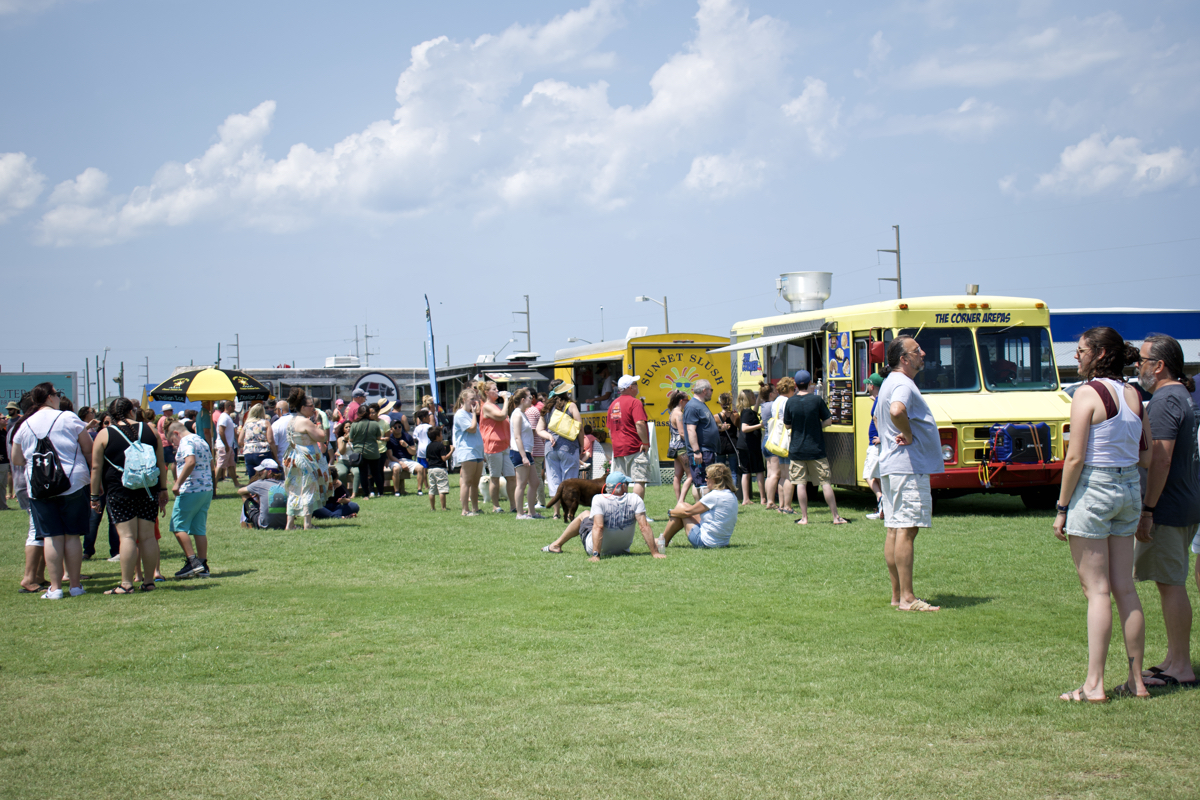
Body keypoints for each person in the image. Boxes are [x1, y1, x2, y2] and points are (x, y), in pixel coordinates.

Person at [1052, 327, 1151, 701]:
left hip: (1095, 488)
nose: (1076, 357)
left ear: (1100, 353)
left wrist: (1062, 507)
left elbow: (1075, 457)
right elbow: (1146, 453)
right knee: (1125, 587)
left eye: (1080, 351)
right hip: (1128, 489)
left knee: (1097, 591)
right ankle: (1137, 681)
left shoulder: (1087, 393)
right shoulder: (1133, 394)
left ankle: (1093, 685)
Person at [1133, 335, 1200, 690]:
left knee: (1171, 584)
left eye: (1142, 360)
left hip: (1169, 508)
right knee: (1170, 582)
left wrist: (1148, 510)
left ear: (1158, 365)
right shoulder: (1181, 396)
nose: (1137, 366)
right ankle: (1175, 659)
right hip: (1184, 503)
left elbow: (1161, 457)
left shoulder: (1164, 400)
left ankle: (1181, 665)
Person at [876, 336, 944, 613]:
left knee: (894, 529)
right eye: (917, 351)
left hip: (893, 466)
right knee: (906, 529)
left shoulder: (890, 382)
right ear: (904, 359)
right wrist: (907, 432)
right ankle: (907, 598)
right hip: (907, 466)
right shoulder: (903, 383)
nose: (923, 353)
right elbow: (897, 410)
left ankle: (897, 595)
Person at [10, 382, 93, 599]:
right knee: (72, 535)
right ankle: (75, 585)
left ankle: (55, 588)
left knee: (51, 536)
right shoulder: (68, 417)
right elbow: (87, 448)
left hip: (38, 485)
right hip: (72, 481)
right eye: (57, 394)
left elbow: (17, 459)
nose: (58, 397)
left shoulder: (24, 423)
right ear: (49, 397)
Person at [89, 398, 169, 594]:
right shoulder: (150, 430)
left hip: (119, 491)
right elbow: (161, 463)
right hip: (148, 489)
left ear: (110, 415)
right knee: (148, 537)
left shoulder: (104, 434)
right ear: (132, 411)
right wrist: (163, 489)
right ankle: (149, 582)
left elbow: (96, 467)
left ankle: (126, 584)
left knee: (127, 537)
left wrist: (94, 495)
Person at [540, 471, 663, 560]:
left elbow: (598, 527)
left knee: (584, 514)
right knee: (589, 515)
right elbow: (644, 527)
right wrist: (655, 553)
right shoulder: (635, 499)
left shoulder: (599, 499)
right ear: (623, 486)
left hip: (599, 548)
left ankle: (556, 545)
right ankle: (555, 545)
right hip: (623, 548)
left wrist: (596, 555)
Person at [783, 369, 847, 525]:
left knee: (800, 483)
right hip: (816, 449)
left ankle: (804, 518)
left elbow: (787, 425)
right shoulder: (817, 400)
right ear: (810, 383)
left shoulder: (790, 402)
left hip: (797, 449)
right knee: (825, 482)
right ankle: (835, 517)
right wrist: (817, 425)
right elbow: (828, 421)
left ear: (796, 385)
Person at [10, 394, 48, 593]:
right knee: (36, 531)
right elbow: (17, 459)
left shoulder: (21, 425)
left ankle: (39, 576)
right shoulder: (26, 426)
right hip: (29, 483)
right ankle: (29, 578)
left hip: (27, 482)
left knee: (41, 530)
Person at [166, 420, 213, 579]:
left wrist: (177, 483)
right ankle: (203, 563)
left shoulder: (185, 442)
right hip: (206, 489)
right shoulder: (201, 440)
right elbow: (210, 464)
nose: (175, 445)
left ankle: (192, 562)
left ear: (176, 433)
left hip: (190, 489)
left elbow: (190, 461)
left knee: (178, 526)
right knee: (199, 528)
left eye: (173, 441)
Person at [657, 463, 739, 550]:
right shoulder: (731, 495)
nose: (705, 479)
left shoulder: (714, 495)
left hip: (706, 542)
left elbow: (687, 512)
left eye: (707, 477)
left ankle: (662, 541)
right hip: (723, 542)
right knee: (684, 506)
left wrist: (670, 512)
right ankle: (664, 540)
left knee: (681, 508)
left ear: (715, 479)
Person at [282, 388, 331, 529]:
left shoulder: (291, 421)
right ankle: (307, 524)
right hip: (305, 459)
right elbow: (322, 436)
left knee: (294, 489)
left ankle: (290, 524)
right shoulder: (305, 421)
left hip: (292, 458)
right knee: (309, 489)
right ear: (302, 407)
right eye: (311, 406)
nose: (313, 409)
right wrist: (319, 422)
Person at [537, 381, 585, 519]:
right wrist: (581, 445)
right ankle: (569, 511)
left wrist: (549, 436)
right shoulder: (571, 406)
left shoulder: (546, 408)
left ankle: (556, 513)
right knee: (569, 481)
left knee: (553, 480)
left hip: (550, 449)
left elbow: (539, 430)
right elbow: (580, 427)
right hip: (569, 447)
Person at [607, 375, 653, 500]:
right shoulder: (635, 402)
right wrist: (645, 442)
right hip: (634, 447)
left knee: (620, 481)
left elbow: (610, 430)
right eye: (636, 384)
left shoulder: (613, 404)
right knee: (639, 480)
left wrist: (615, 444)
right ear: (631, 387)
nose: (638, 387)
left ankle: (622, 509)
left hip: (618, 448)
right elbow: (639, 423)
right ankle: (637, 511)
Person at [480, 381, 516, 513]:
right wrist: (506, 400)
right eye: (494, 389)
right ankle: (496, 506)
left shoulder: (496, 406)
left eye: (497, 388)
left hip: (505, 445)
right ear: (486, 392)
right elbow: (501, 417)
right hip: (493, 446)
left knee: (511, 476)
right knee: (495, 477)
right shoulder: (487, 406)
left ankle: (513, 505)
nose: (497, 391)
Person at [506, 388, 541, 519]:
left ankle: (531, 512)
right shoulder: (517, 414)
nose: (531, 399)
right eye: (529, 397)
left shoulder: (522, 413)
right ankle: (519, 513)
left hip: (526, 452)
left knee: (535, 482)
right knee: (521, 484)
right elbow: (517, 437)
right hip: (519, 453)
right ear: (522, 400)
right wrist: (523, 456)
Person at [683, 379, 721, 498]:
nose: (711, 392)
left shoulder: (700, 405)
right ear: (704, 391)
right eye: (711, 390)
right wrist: (696, 451)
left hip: (706, 450)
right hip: (701, 451)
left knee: (701, 482)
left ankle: (701, 510)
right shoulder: (693, 406)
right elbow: (690, 430)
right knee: (704, 482)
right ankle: (704, 511)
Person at [766, 377, 796, 513]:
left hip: (777, 441)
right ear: (789, 389)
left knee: (782, 475)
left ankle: (782, 505)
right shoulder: (788, 402)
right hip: (787, 440)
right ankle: (788, 506)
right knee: (789, 475)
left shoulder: (776, 401)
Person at [452, 389, 484, 516]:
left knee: (475, 482)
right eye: (472, 399)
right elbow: (471, 429)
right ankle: (465, 510)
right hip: (467, 451)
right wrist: (474, 414)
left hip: (477, 451)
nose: (474, 401)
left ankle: (475, 508)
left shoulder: (470, 414)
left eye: (475, 398)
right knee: (467, 481)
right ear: (464, 400)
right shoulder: (460, 414)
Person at [348, 404, 386, 498]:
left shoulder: (354, 424)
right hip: (373, 451)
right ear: (368, 413)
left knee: (363, 473)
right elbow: (378, 437)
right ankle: (380, 493)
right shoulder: (374, 424)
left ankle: (366, 494)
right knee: (376, 473)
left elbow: (351, 439)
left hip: (359, 452)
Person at [735, 389, 766, 506]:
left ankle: (746, 499)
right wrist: (760, 425)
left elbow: (755, 410)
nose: (755, 398)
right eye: (753, 397)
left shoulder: (747, 411)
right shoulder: (747, 413)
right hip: (750, 446)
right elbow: (744, 428)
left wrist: (759, 399)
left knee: (746, 471)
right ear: (748, 399)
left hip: (744, 445)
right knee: (758, 470)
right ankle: (763, 498)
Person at [237, 459, 286, 529]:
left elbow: (240, 491)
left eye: (261, 471)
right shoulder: (284, 484)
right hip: (284, 524)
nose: (259, 473)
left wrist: (252, 494)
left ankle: (248, 522)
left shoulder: (260, 484)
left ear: (269, 472)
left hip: (264, 524)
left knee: (244, 495)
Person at [863, 373, 885, 520]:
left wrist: (882, 436)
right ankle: (883, 509)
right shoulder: (879, 399)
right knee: (878, 477)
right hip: (876, 444)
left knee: (869, 475)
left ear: (872, 386)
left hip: (875, 444)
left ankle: (880, 499)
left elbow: (876, 418)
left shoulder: (878, 401)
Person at [238, 402, 279, 479]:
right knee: (265, 477)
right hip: (263, 452)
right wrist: (276, 457)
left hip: (249, 453)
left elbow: (240, 440)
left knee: (252, 478)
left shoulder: (247, 424)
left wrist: (247, 445)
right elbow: (270, 441)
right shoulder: (266, 423)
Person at [667, 391, 694, 504]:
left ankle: (679, 500)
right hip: (682, 447)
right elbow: (682, 433)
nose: (688, 402)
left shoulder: (672, 412)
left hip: (673, 447)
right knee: (691, 475)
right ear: (681, 401)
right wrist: (692, 443)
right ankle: (681, 501)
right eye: (687, 400)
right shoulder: (679, 414)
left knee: (677, 475)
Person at [384, 420, 423, 495]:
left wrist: (406, 446)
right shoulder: (390, 439)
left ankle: (419, 490)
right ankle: (397, 491)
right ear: (391, 429)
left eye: (399, 426)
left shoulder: (407, 437)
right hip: (394, 460)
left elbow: (414, 452)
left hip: (407, 460)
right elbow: (390, 455)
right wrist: (401, 463)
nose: (398, 428)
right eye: (395, 427)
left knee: (420, 468)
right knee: (396, 468)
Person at [715, 391, 741, 492]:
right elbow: (739, 427)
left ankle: (720, 491)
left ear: (720, 403)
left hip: (721, 444)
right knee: (733, 472)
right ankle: (732, 492)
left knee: (719, 471)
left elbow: (714, 430)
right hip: (733, 443)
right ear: (730, 403)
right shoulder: (735, 415)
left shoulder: (716, 417)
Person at [525, 397, 547, 509]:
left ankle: (541, 502)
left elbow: (532, 430)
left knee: (536, 476)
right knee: (533, 477)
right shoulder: (531, 411)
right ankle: (533, 500)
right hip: (536, 449)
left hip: (535, 449)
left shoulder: (531, 411)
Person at [425, 425, 453, 511]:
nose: (442, 436)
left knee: (432, 489)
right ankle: (443, 507)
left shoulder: (428, 446)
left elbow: (427, 458)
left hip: (431, 469)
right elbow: (444, 458)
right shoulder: (440, 446)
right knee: (442, 488)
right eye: (441, 434)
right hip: (440, 468)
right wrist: (451, 451)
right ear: (437, 436)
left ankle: (432, 507)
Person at [215, 400, 241, 490]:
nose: (234, 408)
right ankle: (213, 486)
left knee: (231, 465)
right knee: (220, 465)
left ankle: (236, 483)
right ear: (229, 407)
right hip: (224, 446)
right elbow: (221, 431)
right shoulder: (224, 417)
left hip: (228, 445)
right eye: (233, 406)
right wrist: (225, 445)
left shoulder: (227, 417)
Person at [411, 409, 433, 495]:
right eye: (428, 417)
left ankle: (425, 485)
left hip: (420, 449)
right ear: (424, 418)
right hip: (429, 448)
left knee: (423, 469)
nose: (429, 418)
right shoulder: (429, 427)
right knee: (430, 468)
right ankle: (432, 484)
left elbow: (415, 438)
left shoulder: (417, 428)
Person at [270, 400, 292, 468]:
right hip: (297, 458)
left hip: (282, 459)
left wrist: (276, 458)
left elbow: (274, 444)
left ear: (279, 410)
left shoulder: (276, 424)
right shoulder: (296, 420)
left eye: (275, 409)